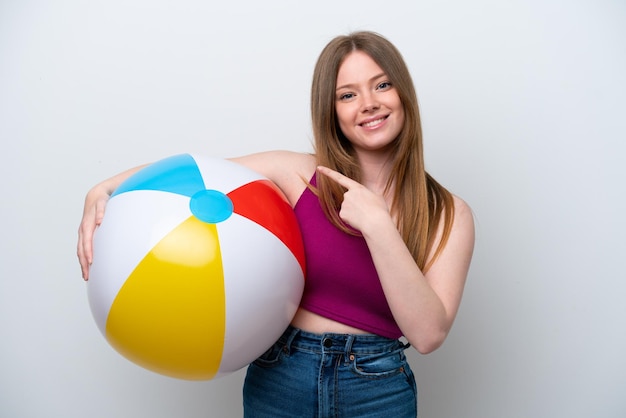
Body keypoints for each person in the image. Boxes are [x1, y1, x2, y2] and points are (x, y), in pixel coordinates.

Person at [77, 31, 474, 417]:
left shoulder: (448, 213)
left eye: (382, 85)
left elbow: (428, 335)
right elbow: (199, 175)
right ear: (332, 111)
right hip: (282, 375)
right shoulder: (299, 174)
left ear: (403, 93)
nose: (368, 103)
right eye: (348, 95)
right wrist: (105, 187)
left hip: (377, 388)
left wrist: (379, 226)